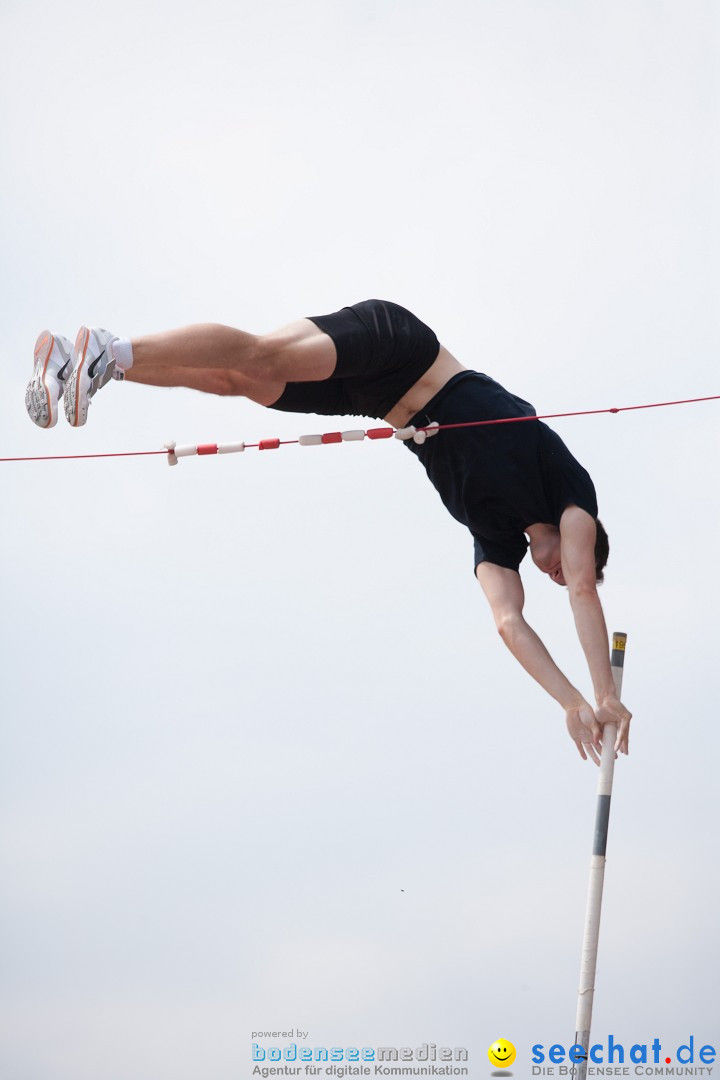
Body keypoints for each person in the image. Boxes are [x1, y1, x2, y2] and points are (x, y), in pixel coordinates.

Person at [25, 299, 631, 762]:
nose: (559, 575)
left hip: (377, 400)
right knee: (260, 356)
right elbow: (583, 588)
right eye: (574, 562)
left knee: (241, 382)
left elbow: (507, 622)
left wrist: (572, 704)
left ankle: (94, 369)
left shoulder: (496, 536)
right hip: (400, 348)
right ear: (584, 535)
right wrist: (606, 694)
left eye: (554, 574)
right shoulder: (568, 488)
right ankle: (108, 346)